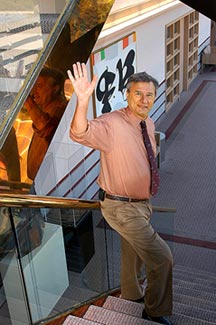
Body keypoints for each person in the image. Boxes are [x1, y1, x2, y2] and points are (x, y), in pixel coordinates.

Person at [68, 62, 173, 325]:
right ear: (127, 94)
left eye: (149, 94)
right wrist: (82, 101)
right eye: (138, 93)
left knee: (133, 252)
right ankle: (154, 311)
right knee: (161, 258)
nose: (144, 99)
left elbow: (147, 154)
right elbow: (80, 132)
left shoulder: (146, 122)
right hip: (120, 207)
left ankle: (130, 293)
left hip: (141, 204)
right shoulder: (113, 123)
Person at [24, 66, 68, 180]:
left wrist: (26, 100)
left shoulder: (62, 110)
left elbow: (47, 128)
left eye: (39, 86)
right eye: (33, 86)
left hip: (50, 184)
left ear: (55, 88)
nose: (34, 91)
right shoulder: (44, 111)